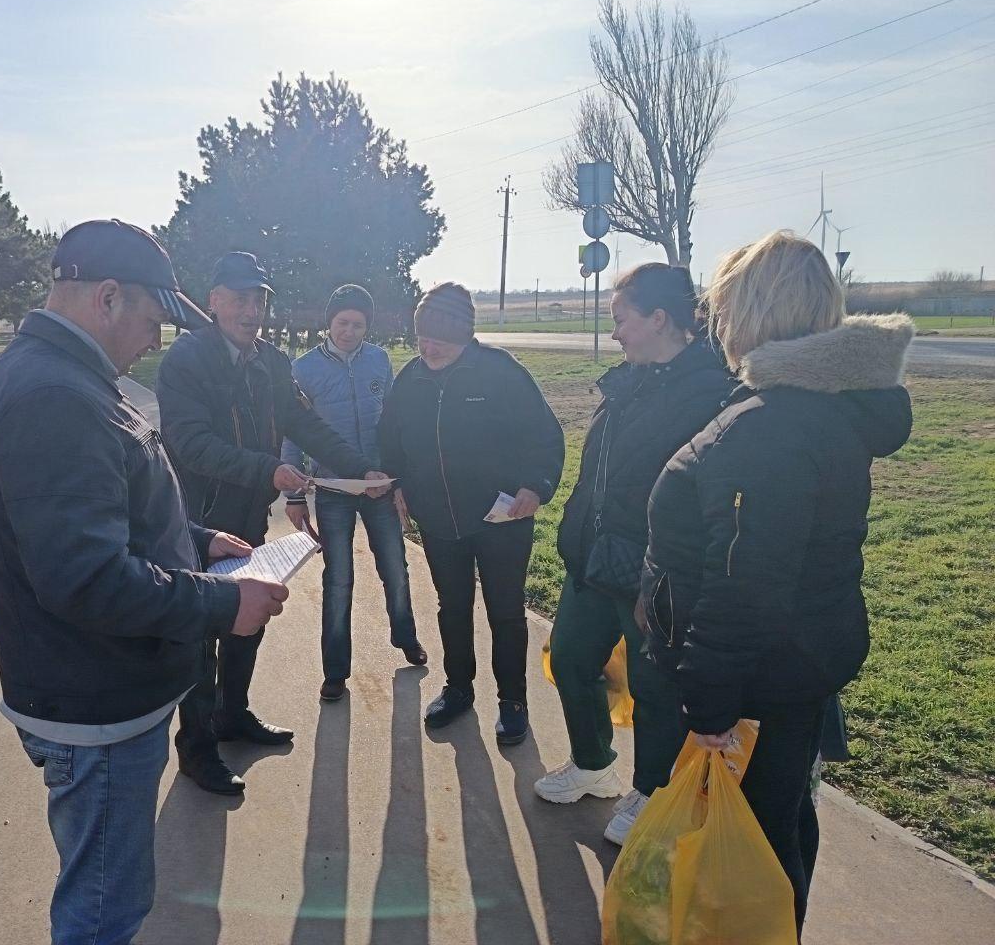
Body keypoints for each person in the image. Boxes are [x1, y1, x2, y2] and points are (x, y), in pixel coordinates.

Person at [0, 220, 291, 945]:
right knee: (106, 907)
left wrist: (199, 542)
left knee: (107, 888)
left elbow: (110, 513)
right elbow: (87, 579)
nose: (156, 339)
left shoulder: (71, 380)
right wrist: (222, 602)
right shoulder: (54, 399)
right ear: (108, 297)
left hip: (101, 691)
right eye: (151, 319)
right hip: (96, 705)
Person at [639, 231, 913, 933]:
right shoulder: (814, 411)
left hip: (755, 688)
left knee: (753, 851)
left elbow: (744, 586)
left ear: (753, 313)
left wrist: (708, 711)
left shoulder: (772, 429)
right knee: (784, 826)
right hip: (794, 670)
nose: (717, 327)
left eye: (724, 310)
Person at [156, 251, 389, 794]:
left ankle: (233, 715)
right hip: (196, 518)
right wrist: (270, 469)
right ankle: (196, 748)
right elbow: (188, 444)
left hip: (245, 516)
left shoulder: (271, 362)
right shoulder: (187, 359)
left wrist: (360, 468)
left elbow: (304, 423)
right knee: (199, 634)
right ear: (213, 301)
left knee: (248, 617)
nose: (250, 309)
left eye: (258, 299)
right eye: (239, 298)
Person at [536, 264, 735, 848]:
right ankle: (594, 764)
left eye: (621, 319)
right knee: (571, 657)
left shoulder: (710, 392)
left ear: (659, 319)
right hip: (595, 558)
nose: (616, 332)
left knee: (654, 688)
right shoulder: (626, 382)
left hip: (657, 571)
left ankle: (651, 791)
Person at [378, 282, 564, 744]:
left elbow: (544, 435)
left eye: (440, 337)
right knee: (452, 608)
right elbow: (391, 441)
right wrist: (397, 483)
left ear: (465, 334)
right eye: (423, 335)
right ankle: (459, 689)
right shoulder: (411, 379)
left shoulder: (500, 372)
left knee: (505, 612)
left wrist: (535, 487)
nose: (429, 346)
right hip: (439, 521)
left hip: (501, 519)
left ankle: (512, 701)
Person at [281, 284, 427, 702]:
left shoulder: (379, 361)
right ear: (328, 323)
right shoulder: (303, 369)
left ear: (367, 326)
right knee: (339, 579)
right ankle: (335, 671)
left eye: (358, 324)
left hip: (378, 486)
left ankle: (406, 637)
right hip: (333, 489)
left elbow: (396, 423)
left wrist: (399, 482)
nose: (349, 331)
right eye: (342, 322)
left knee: (395, 569)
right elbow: (292, 433)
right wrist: (294, 495)